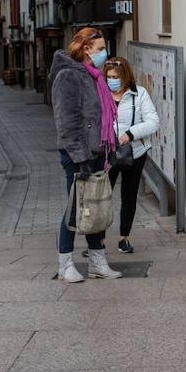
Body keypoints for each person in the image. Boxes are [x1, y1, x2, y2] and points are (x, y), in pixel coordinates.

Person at [50, 26, 122, 281]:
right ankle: (65, 263)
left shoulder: (94, 76)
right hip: (76, 155)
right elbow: (66, 121)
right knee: (75, 208)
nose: (105, 53)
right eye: (100, 49)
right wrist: (81, 159)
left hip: (96, 151)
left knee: (95, 207)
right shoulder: (69, 76)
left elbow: (103, 116)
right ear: (85, 49)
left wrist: (108, 148)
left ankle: (97, 263)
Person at [102, 56, 160, 254]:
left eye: (115, 76)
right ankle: (98, 241)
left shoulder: (139, 94)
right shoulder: (101, 94)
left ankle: (123, 238)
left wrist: (130, 134)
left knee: (129, 196)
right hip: (107, 154)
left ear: (125, 76)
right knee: (101, 197)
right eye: (109, 76)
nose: (112, 80)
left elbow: (153, 122)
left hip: (135, 153)